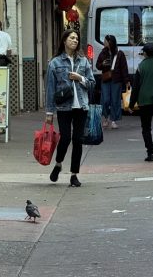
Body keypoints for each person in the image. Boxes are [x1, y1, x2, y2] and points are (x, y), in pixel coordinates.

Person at [45, 29, 95, 187]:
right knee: (65, 138)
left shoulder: (83, 61)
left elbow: (92, 84)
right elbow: (50, 89)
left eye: (77, 38)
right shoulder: (55, 63)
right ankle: (58, 164)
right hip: (63, 107)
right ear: (64, 40)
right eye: (72, 38)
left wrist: (80, 78)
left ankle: (74, 175)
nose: (75, 40)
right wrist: (49, 112)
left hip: (82, 106)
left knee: (78, 140)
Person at [96, 34, 128, 129]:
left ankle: (113, 120)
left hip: (116, 80)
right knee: (105, 100)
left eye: (105, 41)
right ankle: (106, 118)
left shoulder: (120, 54)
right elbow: (98, 65)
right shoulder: (102, 53)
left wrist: (126, 81)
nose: (104, 42)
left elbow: (124, 68)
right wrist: (102, 64)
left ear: (110, 42)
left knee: (115, 100)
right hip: (106, 79)